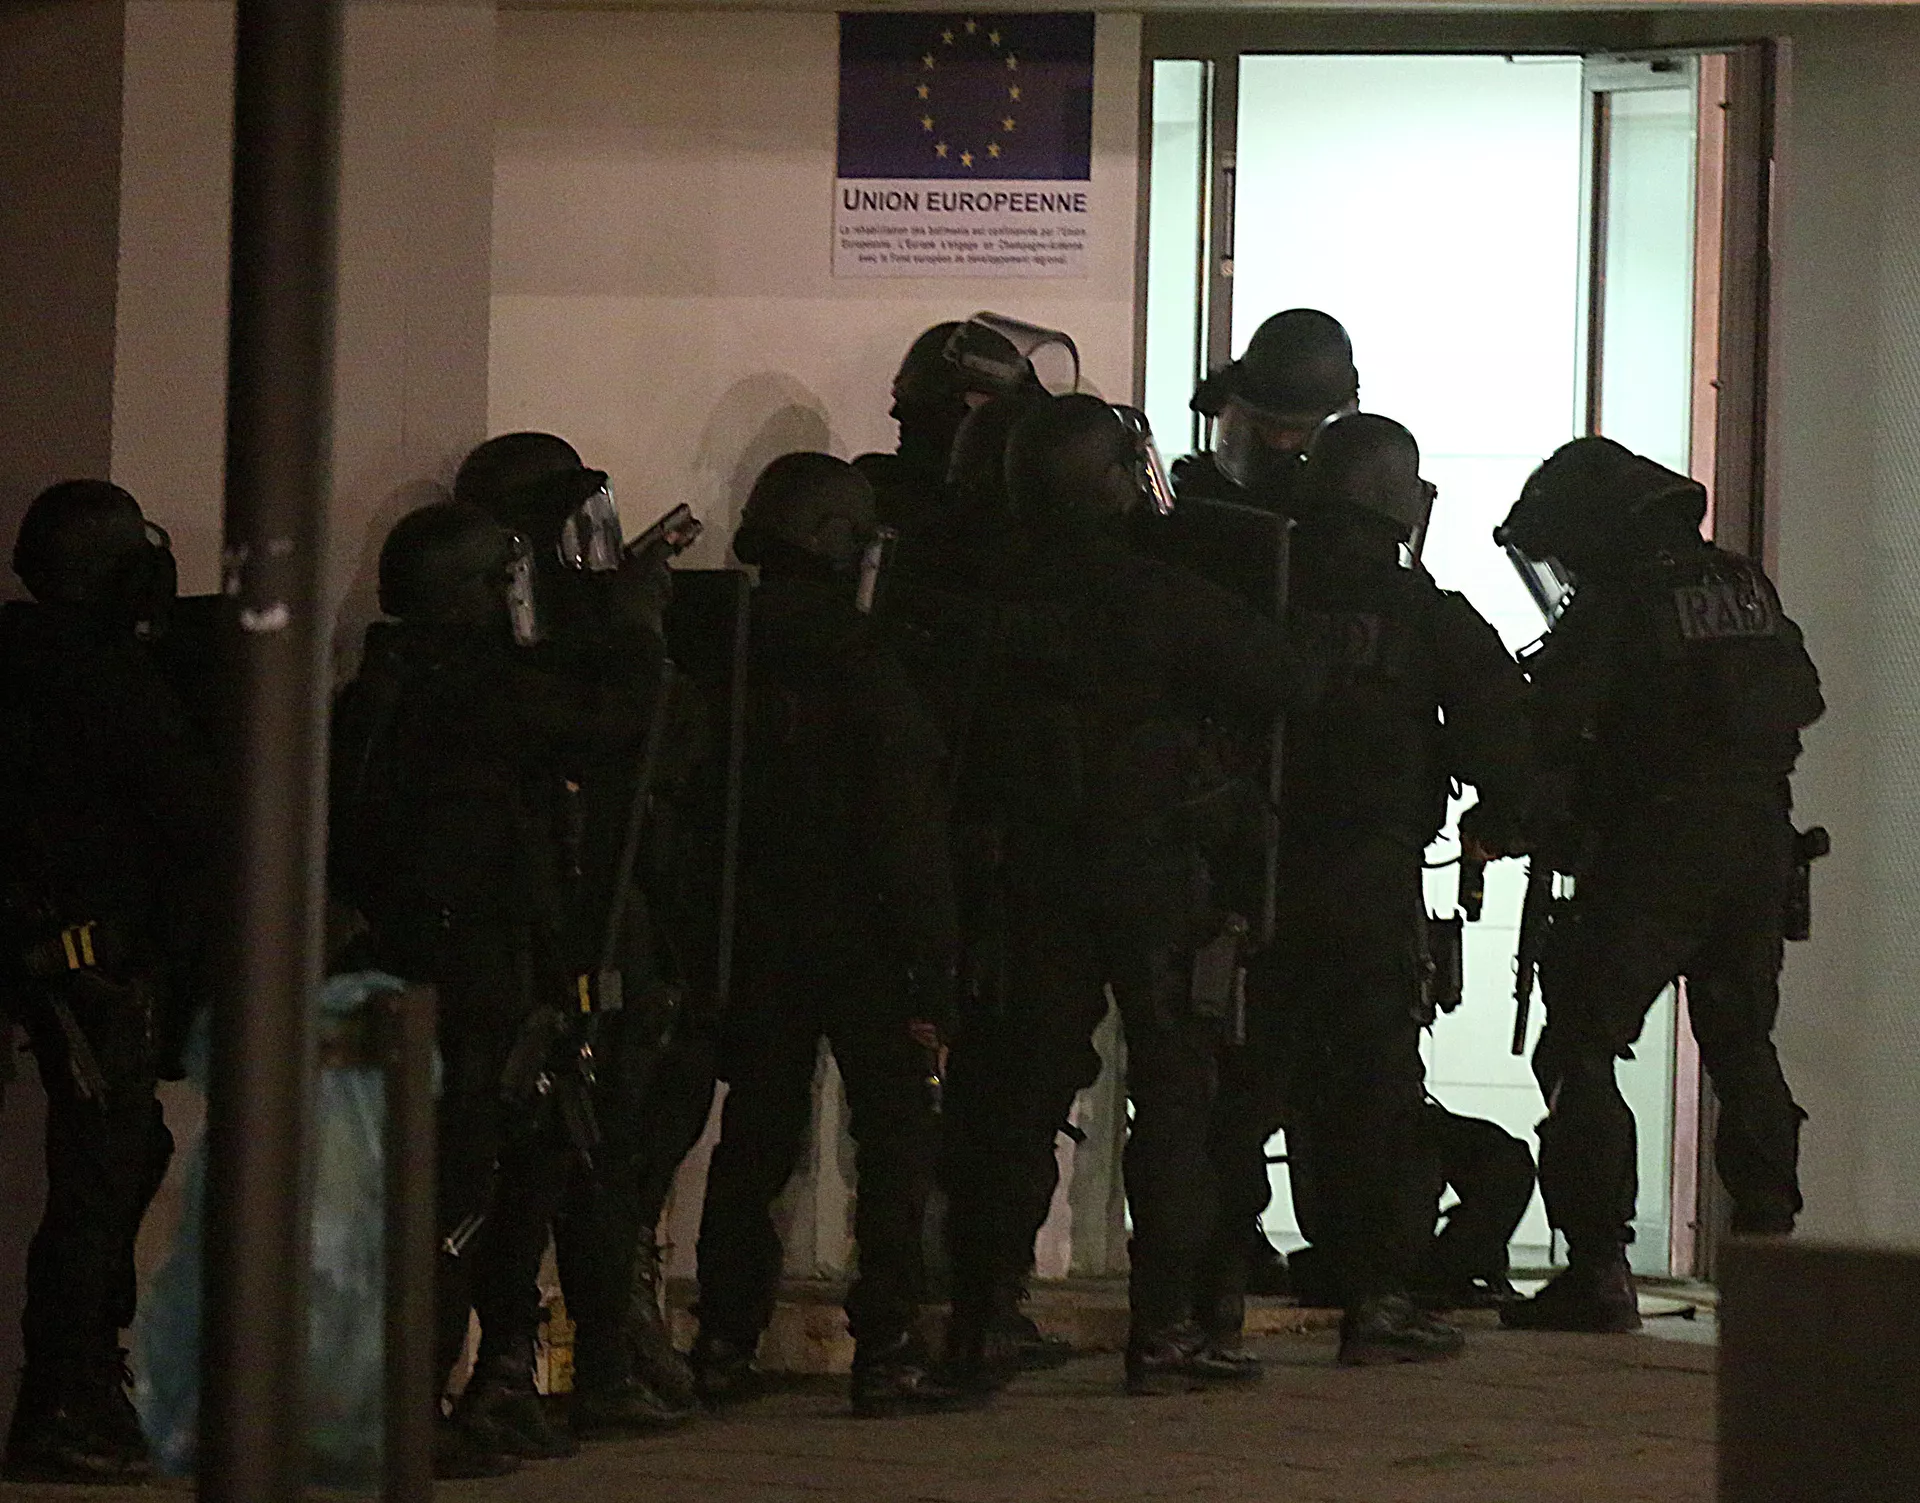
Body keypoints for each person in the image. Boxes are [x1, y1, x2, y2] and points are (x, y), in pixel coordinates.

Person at [942, 395, 1316, 1396]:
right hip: (1149, 872)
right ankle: (1164, 1331)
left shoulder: (984, 593)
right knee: (1176, 1099)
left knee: (1019, 1096)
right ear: (1110, 483)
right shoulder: (1156, 593)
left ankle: (983, 1320)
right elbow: (1285, 676)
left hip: (1031, 874)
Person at [330, 497, 667, 1474]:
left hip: (424, 976)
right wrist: (636, 630)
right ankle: (410, 1409)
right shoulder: (475, 694)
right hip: (471, 981)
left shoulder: (386, 689)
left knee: (492, 1186)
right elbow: (613, 726)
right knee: (455, 1200)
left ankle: (463, 1388)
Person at [1494, 437, 1823, 1333]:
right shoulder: (1743, 584)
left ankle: (1599, 1270)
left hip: (1653, 852)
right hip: (1757, 846)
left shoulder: (1620, 601)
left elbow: (1549, 727)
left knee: (1581, 1045)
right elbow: (1799, 696)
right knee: (1743, 1044)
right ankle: (1771, 1258)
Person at [687, 453, 963, 1417]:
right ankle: (886, 1345)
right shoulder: (862, 657)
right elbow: (906, 822)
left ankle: (723, 1337)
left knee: (755, 1135)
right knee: (893, 1137)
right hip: (866, 933)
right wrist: (935, 960)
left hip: (758, 926)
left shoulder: (721, 641)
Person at [458, 431, 711, 1433]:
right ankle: (515, 1364)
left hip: (599, 930)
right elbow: (620, 729)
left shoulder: (568, 644)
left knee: (603, 1150)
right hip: (541, 940)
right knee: (533, 1165)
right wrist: (636, 632)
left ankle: (605, 1350)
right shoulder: (501, 663)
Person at [1273, 413, 1530, 1365]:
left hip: (1250, 879)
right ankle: (1378, 1297)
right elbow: (1509, 746)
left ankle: (1197, 1300)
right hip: (1368, 883)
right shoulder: (1427, 614)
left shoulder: (1257, 587)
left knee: (1241, 1085)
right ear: (1397, 503)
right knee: (1377, 1086)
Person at [0, 481, 216, 1483]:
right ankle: (65, 1395)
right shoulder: (101, 676)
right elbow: (190, 810)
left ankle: (78, 1383)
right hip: (90, 970)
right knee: (101, 1179)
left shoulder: (32, 659)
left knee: (120, 1161)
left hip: (64, 958)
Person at [1285, 1099, 1537, 1312]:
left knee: (1506, 1160)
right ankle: (1421, 1272)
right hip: (1358, 1118)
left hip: (1397, 1112)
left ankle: (1438, 1269)